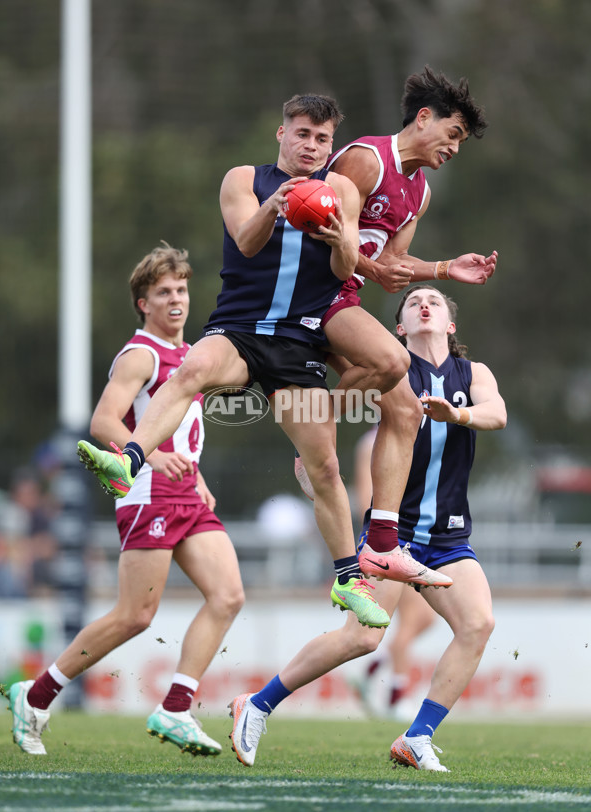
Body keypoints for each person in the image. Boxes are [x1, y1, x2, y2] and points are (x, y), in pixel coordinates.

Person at [76, 94, 439, 629]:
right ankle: (128, 462)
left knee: (326, 466)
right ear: (281, 134)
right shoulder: (243, 179)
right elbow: (246, 244)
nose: (311, 146)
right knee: (192, 371)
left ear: (331, 145)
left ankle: (347, 579)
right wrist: (277, 205)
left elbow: (344, 272)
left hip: (299, 340)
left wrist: (341, 236)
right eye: (302, 134)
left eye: (322, 139)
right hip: (240, 327)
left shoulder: (340, 189)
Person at [228, 284, 506, 771]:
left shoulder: (472, 373)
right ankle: (257, 704)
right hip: (391, 535)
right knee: (361, 638)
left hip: (446, 535)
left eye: (436, 302)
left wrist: (455, 413)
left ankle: (417, 737)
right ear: (398, 326)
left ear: (451, 324)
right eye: (413, 302)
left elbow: (497, 414)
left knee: (478, 624)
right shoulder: (390, 367)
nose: (425, 305)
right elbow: (332, 386)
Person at [8, 244, 245, 755]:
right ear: (144, 303)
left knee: (228, 596)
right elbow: (103, 422)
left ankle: (177, 708)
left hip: (187, 491)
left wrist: (195, 473)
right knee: (135, 616)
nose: (176, 299)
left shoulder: (191, 354)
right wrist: (153, 458)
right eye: (164, 292)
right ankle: (36, 694)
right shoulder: (142, 353)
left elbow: (183, 427)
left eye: (181, 289)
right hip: (149, 491)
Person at [294, 67, 496, 587]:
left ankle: (382, 544)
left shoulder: (420, 193)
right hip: (309, 290)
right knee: (394, 362)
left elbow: (392, 262)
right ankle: (316, 446)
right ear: (423, 118)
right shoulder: (365, 159)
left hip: (344, 295)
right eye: (452, 134)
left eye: (461, 143)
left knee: (406, 409)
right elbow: (322, 232)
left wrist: (446, 269)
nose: (454, 147)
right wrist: (376, 270)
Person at [353, 427, 436, 719]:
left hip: (414, 537)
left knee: (423, 620)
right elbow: (366, 496)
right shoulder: (373, 441)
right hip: (391, 542)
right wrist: (384, 539)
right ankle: (397, 697)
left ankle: (373, 671)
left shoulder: (415, 434)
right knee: (410, 621)